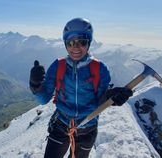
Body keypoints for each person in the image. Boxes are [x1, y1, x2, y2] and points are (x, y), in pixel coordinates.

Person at [29, 18, 133, 158]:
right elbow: (43, 99)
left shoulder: (100, 69)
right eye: (70, 43)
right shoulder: (58, 66)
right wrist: (35, 84)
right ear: (65, 44)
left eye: (82, 42)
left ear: (89, 43)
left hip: (87, 130)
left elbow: (101, 101)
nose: (76, 48)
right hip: (60, 126)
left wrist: (112, 98)